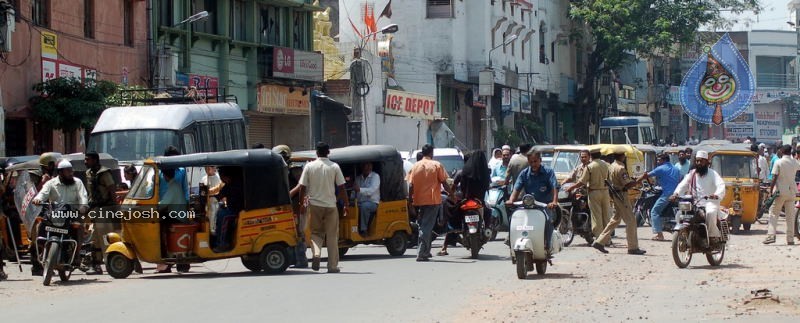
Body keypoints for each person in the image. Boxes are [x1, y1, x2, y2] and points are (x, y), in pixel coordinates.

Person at [31, 159, 89, 276]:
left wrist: (83, 207)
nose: (71, 173)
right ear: (60, 172)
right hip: (54, 214)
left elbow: (83, 198)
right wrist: (37, 199)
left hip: (72, 214)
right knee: (39, 225)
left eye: (71, 170)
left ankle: (76, 255)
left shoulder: (77, 182)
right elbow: (42, 194)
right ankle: (41, 249)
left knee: (79, 228)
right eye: (68, 171)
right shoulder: (51, 183)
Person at [297, 142, 348, 273]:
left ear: (316, 152)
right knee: (332, 236)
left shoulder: (309, 166)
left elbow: (302, 187)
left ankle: (316, 253)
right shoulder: (334, 166)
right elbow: (342, 187)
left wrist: (302, 204)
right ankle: (332, 266)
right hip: (331, 206)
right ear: (328, 152)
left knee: (316, 233)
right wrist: (346, 205)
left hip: (314, 206)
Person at [591, 147, 646, 255]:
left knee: (615, 220)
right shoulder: (620, 168)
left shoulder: (611, 166)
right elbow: (628, 184)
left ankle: (599, 242)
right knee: (631, 221)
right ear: (622, 156)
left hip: (616, 194)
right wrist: (641, 178)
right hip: (621, 195)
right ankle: (633, 247)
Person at [439, 150, 490, 256]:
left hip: (465, 200)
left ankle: (446, 237)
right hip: (479, 201)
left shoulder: (463, 172)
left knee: (450, 210)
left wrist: (452, 196)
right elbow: (487, 187)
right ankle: (487, 229)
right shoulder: (484, 173)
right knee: (489, 211)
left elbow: (453, 187)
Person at [507, 150, 558, 253]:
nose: (533, 164)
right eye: (531, 162)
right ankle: (510, 239)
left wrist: (554, 201)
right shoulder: (524, 173)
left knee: (548, 220)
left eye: (535, 161)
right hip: (528, 205)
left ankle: (547, 244)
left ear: (540, 160)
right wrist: (511, 200)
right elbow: (516, 189)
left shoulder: (548, 172)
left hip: (545, 205)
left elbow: (554, 187)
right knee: (514, 218)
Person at [407, 144, 451, 262]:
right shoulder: (436, 165)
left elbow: (411, 185)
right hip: (432, 200)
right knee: (426, 227)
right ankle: (421, 253)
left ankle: (426, 251)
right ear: (431, 153)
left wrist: (410, 200)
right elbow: (444, 182)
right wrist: (452, 195)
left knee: (424, 225)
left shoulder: (415, 166)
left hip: (419, 201)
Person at [671, 151, 726, 242]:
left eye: (701, 161)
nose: (699, 163)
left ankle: (712, 236)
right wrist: (676, 194)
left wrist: (716, 195)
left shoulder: (713, 174)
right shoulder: (692, 174)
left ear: (707, 162)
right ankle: (684, 234)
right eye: (697, 161)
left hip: (710, 202)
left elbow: (721, 185)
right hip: (694, 203)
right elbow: (682, 185)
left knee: (710, 213)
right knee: (679, 214)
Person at [84, 151, 117, 275]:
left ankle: (110, 263)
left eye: (88, 159)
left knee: (105, 238)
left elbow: (112, 190)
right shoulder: (88, 173)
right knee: (95, 238)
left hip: (104, 209)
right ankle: (96, 265)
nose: (85, 162)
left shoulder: (104, 173)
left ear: (95, 160)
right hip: (94, 209)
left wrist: (115, 208)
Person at [638, 154, 681, 241]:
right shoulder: (676, 169)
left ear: (664, 160)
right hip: (677, 193)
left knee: (654, 211)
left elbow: (646, 176)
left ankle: (659, 235)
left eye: (659, 160)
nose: (657, 161)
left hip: (668, 194)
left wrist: (636, 180)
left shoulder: (660, 168)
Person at [763, 145, 800, 245]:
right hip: (792, 192)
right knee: (790, 216)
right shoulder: (795, 162)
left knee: (773, 213)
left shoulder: (778, 162)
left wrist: (771, 191)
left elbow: (774, 177)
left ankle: (771, 236)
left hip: (780, 191)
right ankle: (790, 239)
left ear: (782, 151)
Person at [577, 147, 612, 240]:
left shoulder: (590, 166)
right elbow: (610, 179)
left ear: (591, 156)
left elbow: (582, 181)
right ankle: (607, 239)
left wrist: (571, 187)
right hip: (605, 192)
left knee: (596, 217)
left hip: (594, 192)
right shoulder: (606, 165)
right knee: (606, 217)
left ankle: (599, 239)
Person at [212, 167, 243, 251]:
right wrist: (210, 196)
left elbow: (234, 200)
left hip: (238, 210)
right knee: (219, 211)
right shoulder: (228, 185)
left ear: (227, 176)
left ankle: (222, 243)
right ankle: (218, 238)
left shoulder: (237, 185)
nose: (222, 179)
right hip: (232, 208)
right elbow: (221, 194)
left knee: (223, 216)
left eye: (222, 177)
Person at [354, 162, 380, 235]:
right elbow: (354, 191)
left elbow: (371, 191)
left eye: (369, 165)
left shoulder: (375, 177)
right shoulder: (358, 178)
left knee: (364, 206)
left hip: (372, 202)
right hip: (359, 202)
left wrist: (360, 189)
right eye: (366, 165)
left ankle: (363, 230)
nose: (368, 167)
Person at [200, 166, 221, 233]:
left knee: (213, 214)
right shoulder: (204, 178)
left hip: (215, 201)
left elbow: (220, 191)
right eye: (205, 168)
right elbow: (202, 191)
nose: (207, 170)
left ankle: (213, 230)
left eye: (208, 168)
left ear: (213, 168)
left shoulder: (219, 178)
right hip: (206, 201)